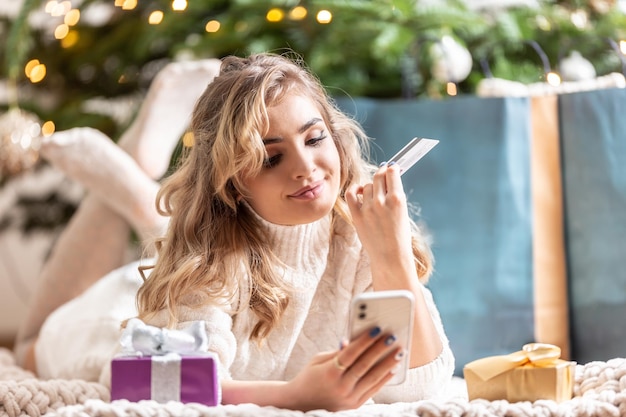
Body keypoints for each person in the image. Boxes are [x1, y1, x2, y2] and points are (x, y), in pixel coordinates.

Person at [15, 52, 454, 412]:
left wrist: (391, 253)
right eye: (270, 158)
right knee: (29, 345)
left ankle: (145, 197)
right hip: (119, 319)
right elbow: (151, 382)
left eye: (315, 138)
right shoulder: (208, 267)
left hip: (179, 280)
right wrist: (294, 395)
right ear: (232, 183)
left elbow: (420, 386)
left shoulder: (363, 236)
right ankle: (136, 174)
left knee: (178, 247)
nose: (305, 169)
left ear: (336, 139)